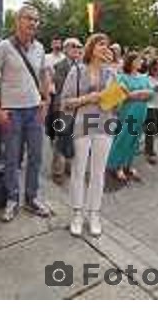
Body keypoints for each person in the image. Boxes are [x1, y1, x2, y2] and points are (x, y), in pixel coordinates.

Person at [0, 4, 52, 222]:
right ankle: (12, 199)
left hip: (34, 111)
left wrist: (45, 101)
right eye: (28, 18)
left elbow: (43, 75)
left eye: (36, 19)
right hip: (12, 112)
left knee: (36, 157)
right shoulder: (4, 46)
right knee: (12, 158)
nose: (33, 22)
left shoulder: (40, 48)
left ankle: (31, 198)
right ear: (18, 21)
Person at [61, 34, 115, 236]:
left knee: (98, 172)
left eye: (107, 45)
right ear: (91, 48)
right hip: (82, 122)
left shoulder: (111, 72)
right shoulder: (77, 70)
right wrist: (88, 98)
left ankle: (94, 214)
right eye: (101, 44)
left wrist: (113, 87)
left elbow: (115, 103)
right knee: (79, 169)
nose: (105, 48)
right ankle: (77, 213)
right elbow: (65, 101)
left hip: (106, 123)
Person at [106, 52, 153, 184]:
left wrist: (135, 94)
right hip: (127, 112)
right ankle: (118, 166)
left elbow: (151, 94)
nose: (141, 62)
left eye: (141, 60)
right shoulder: (122, 77)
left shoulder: (144, 77)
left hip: (141, 112)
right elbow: (124, 95)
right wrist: (140, 94)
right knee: (123, 137)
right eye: (138, 60)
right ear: (130, 62)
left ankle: (129, 164)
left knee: (136, 139)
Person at [50, 37, 83, 184]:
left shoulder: (81, 66)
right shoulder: (60, 66)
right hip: (64, 107)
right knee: (60, 140)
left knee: (74, 138)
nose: (77, 49)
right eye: (74, 46)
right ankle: (57, 172)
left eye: (79, 47)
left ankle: (69, 166)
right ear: (66, 49)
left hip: (79, 106)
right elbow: (61, 88)